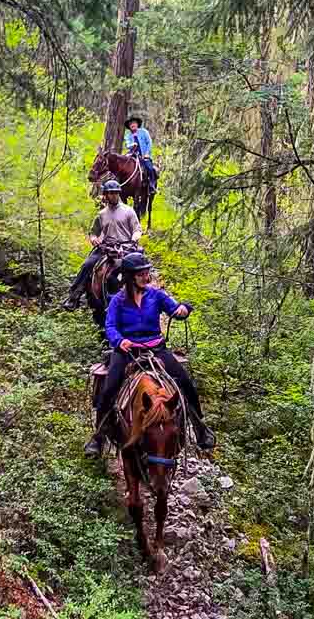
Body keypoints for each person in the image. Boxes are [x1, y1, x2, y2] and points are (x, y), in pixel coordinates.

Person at [84, 251, 216, 456]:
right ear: (129, 277)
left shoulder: (157, 295)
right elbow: (109, 326)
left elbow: (174, 309)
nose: (147, 277)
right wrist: (120, 341)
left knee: (185, 381)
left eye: (147, 273)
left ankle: (200, 428)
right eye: (141, 274)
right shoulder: (118, 300)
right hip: (128, 350)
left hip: (155, 348)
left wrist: (182, 310)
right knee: (109, 388)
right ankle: (99, 436)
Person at [62, 180, 142, 310]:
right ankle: (74, 297)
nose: (113, 195)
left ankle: (147, 296)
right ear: (105, 194)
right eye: (110, 193)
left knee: (141, 266)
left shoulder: (129, 211)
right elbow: (93, 232)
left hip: (127, 246)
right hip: (107, 247)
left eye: (115, 193)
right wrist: (94, 239)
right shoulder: (101, 214)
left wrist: (134, 238)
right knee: (88, 264)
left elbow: (137, 229)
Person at [124, 115, 158, 194]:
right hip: (133, 155)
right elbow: (128, 145)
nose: (132, 125)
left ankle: (152, 185)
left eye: (134, 123)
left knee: (150, 168)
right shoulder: (128, 135)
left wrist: (146, 154)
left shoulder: (144, 132)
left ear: (137, 124)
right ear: (129, 126)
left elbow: (149, 142)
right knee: (123, 165)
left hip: (144, 155)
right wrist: (133, 145)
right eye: (130, 124)